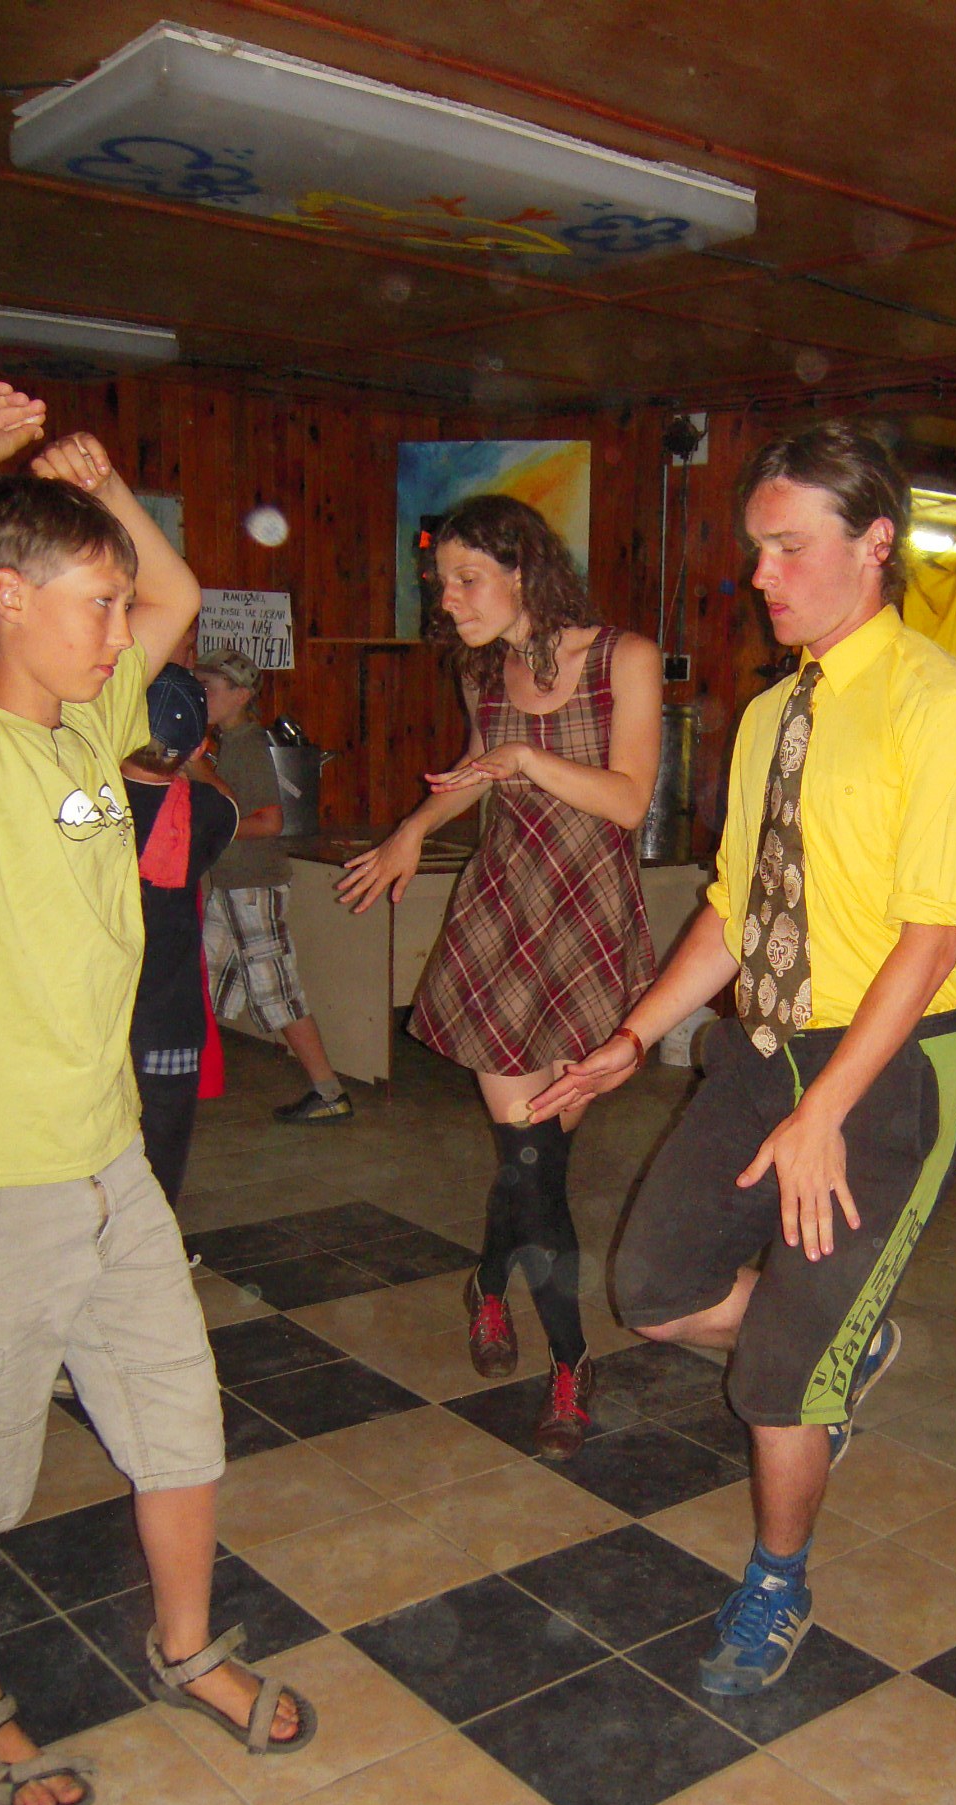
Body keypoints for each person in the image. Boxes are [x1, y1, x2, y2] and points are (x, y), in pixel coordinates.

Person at [533, 419, 956, 1688]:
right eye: (757, 549)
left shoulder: (949, 711)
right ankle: (842, 1348)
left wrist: (826, 1111)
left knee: (778, 1381)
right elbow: (733, 908)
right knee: (652, 1290)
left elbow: (930, 937)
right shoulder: (767, 717)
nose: (762, 576)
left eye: (789, 548)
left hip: (892, 1066)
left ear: (874, 544)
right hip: (763, 1046)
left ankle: (776, 1580)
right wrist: (634, 1034)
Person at [0, 385, 314, 1805]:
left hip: (106, 1169)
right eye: (93, 603)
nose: (117, 627)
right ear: (4, 600)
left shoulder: (90, 735)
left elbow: (181, 594)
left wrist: (107, 494)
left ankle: (185, 1645)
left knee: (179, 1421)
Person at [340, 494, 661, 1459]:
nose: (449, 600)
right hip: (502, 922)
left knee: (535, 1159)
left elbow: (627, 800)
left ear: (524, 569)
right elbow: (476, 770)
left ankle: (486, 1282)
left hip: (590, 928)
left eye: (467, 579)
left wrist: (524, 754)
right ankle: (571, 1362)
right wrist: (412, 827)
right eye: (441, 583)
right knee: (531, 1157)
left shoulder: (622, 659)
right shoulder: (479, 668)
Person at [193, 648, 352, 1124]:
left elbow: (268, 822)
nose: (202, 695)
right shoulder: (231, 742)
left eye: (210, 688)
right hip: (234, 886)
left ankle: (330, 1094)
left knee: (277, 993)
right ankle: (176, 1080)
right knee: (198, 981)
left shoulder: (247, 745)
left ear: (241, 695)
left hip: (253, 888)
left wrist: (210, 824)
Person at [123, 663, 239, 1208]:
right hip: (168, 1020)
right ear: (197, 747)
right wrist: (195, 760)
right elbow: (229, 803)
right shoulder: (207, 811)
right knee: (157, 1170)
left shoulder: (86, 802)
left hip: (91, 1016)